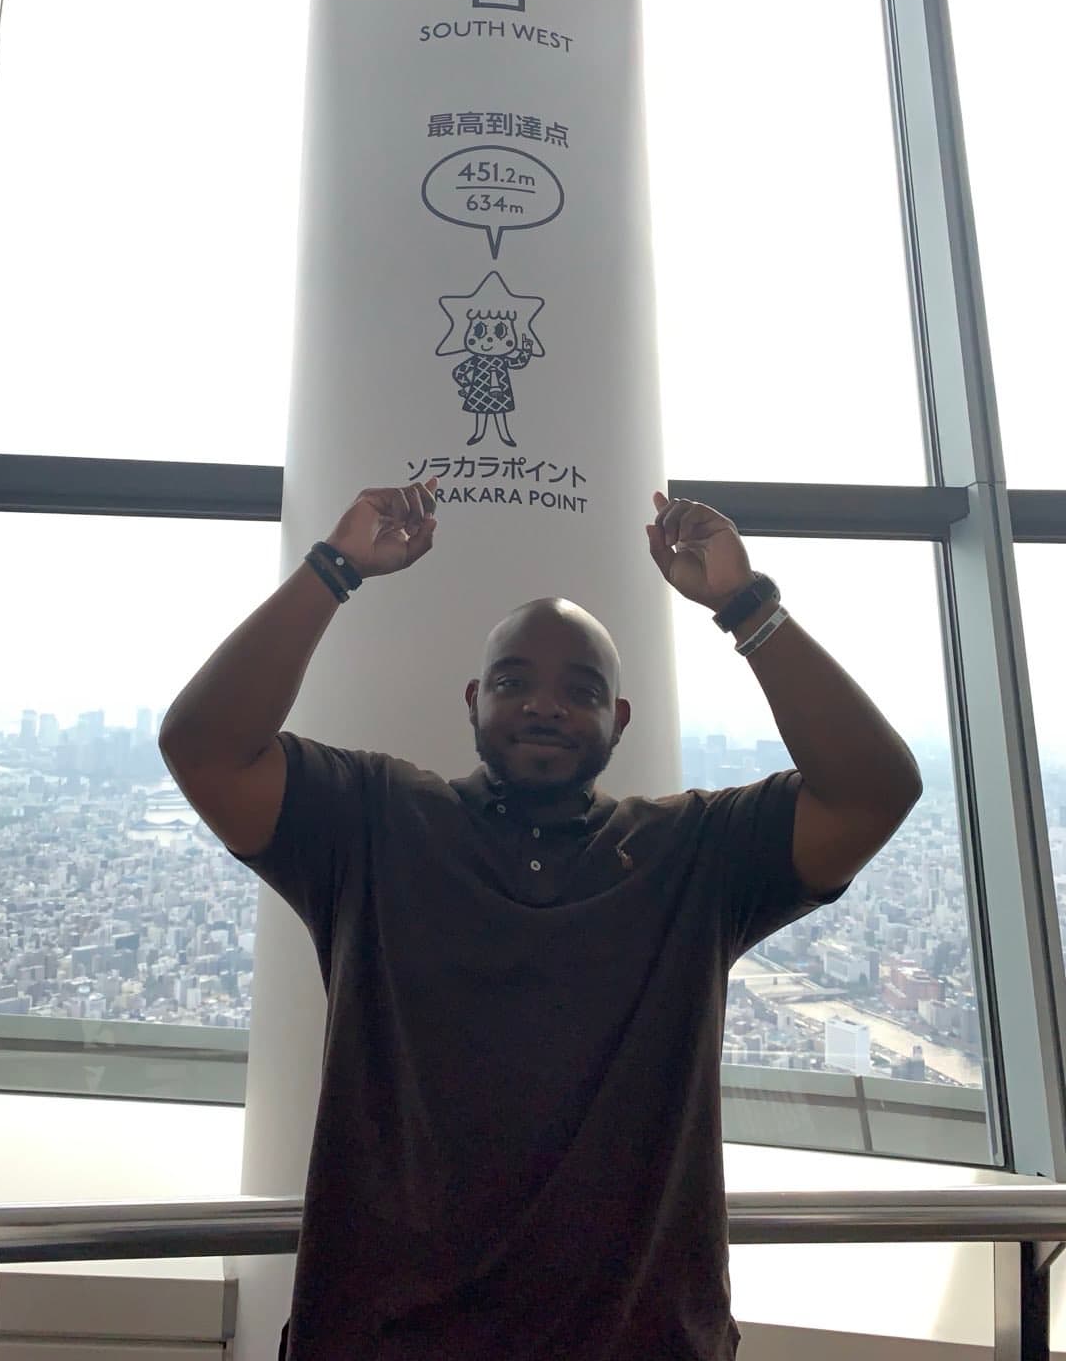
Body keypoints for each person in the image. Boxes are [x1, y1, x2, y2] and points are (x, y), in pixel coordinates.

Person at [158, 480, 922, 1361]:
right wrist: (334, 568)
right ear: (474, 701)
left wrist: (746, 607)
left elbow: (876, 789)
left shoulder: (694, 855)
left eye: (581, 688)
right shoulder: (373, 821)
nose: (545, 704)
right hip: (382, 1339)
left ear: (619, 720)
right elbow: (204, 745)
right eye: (514, 682)